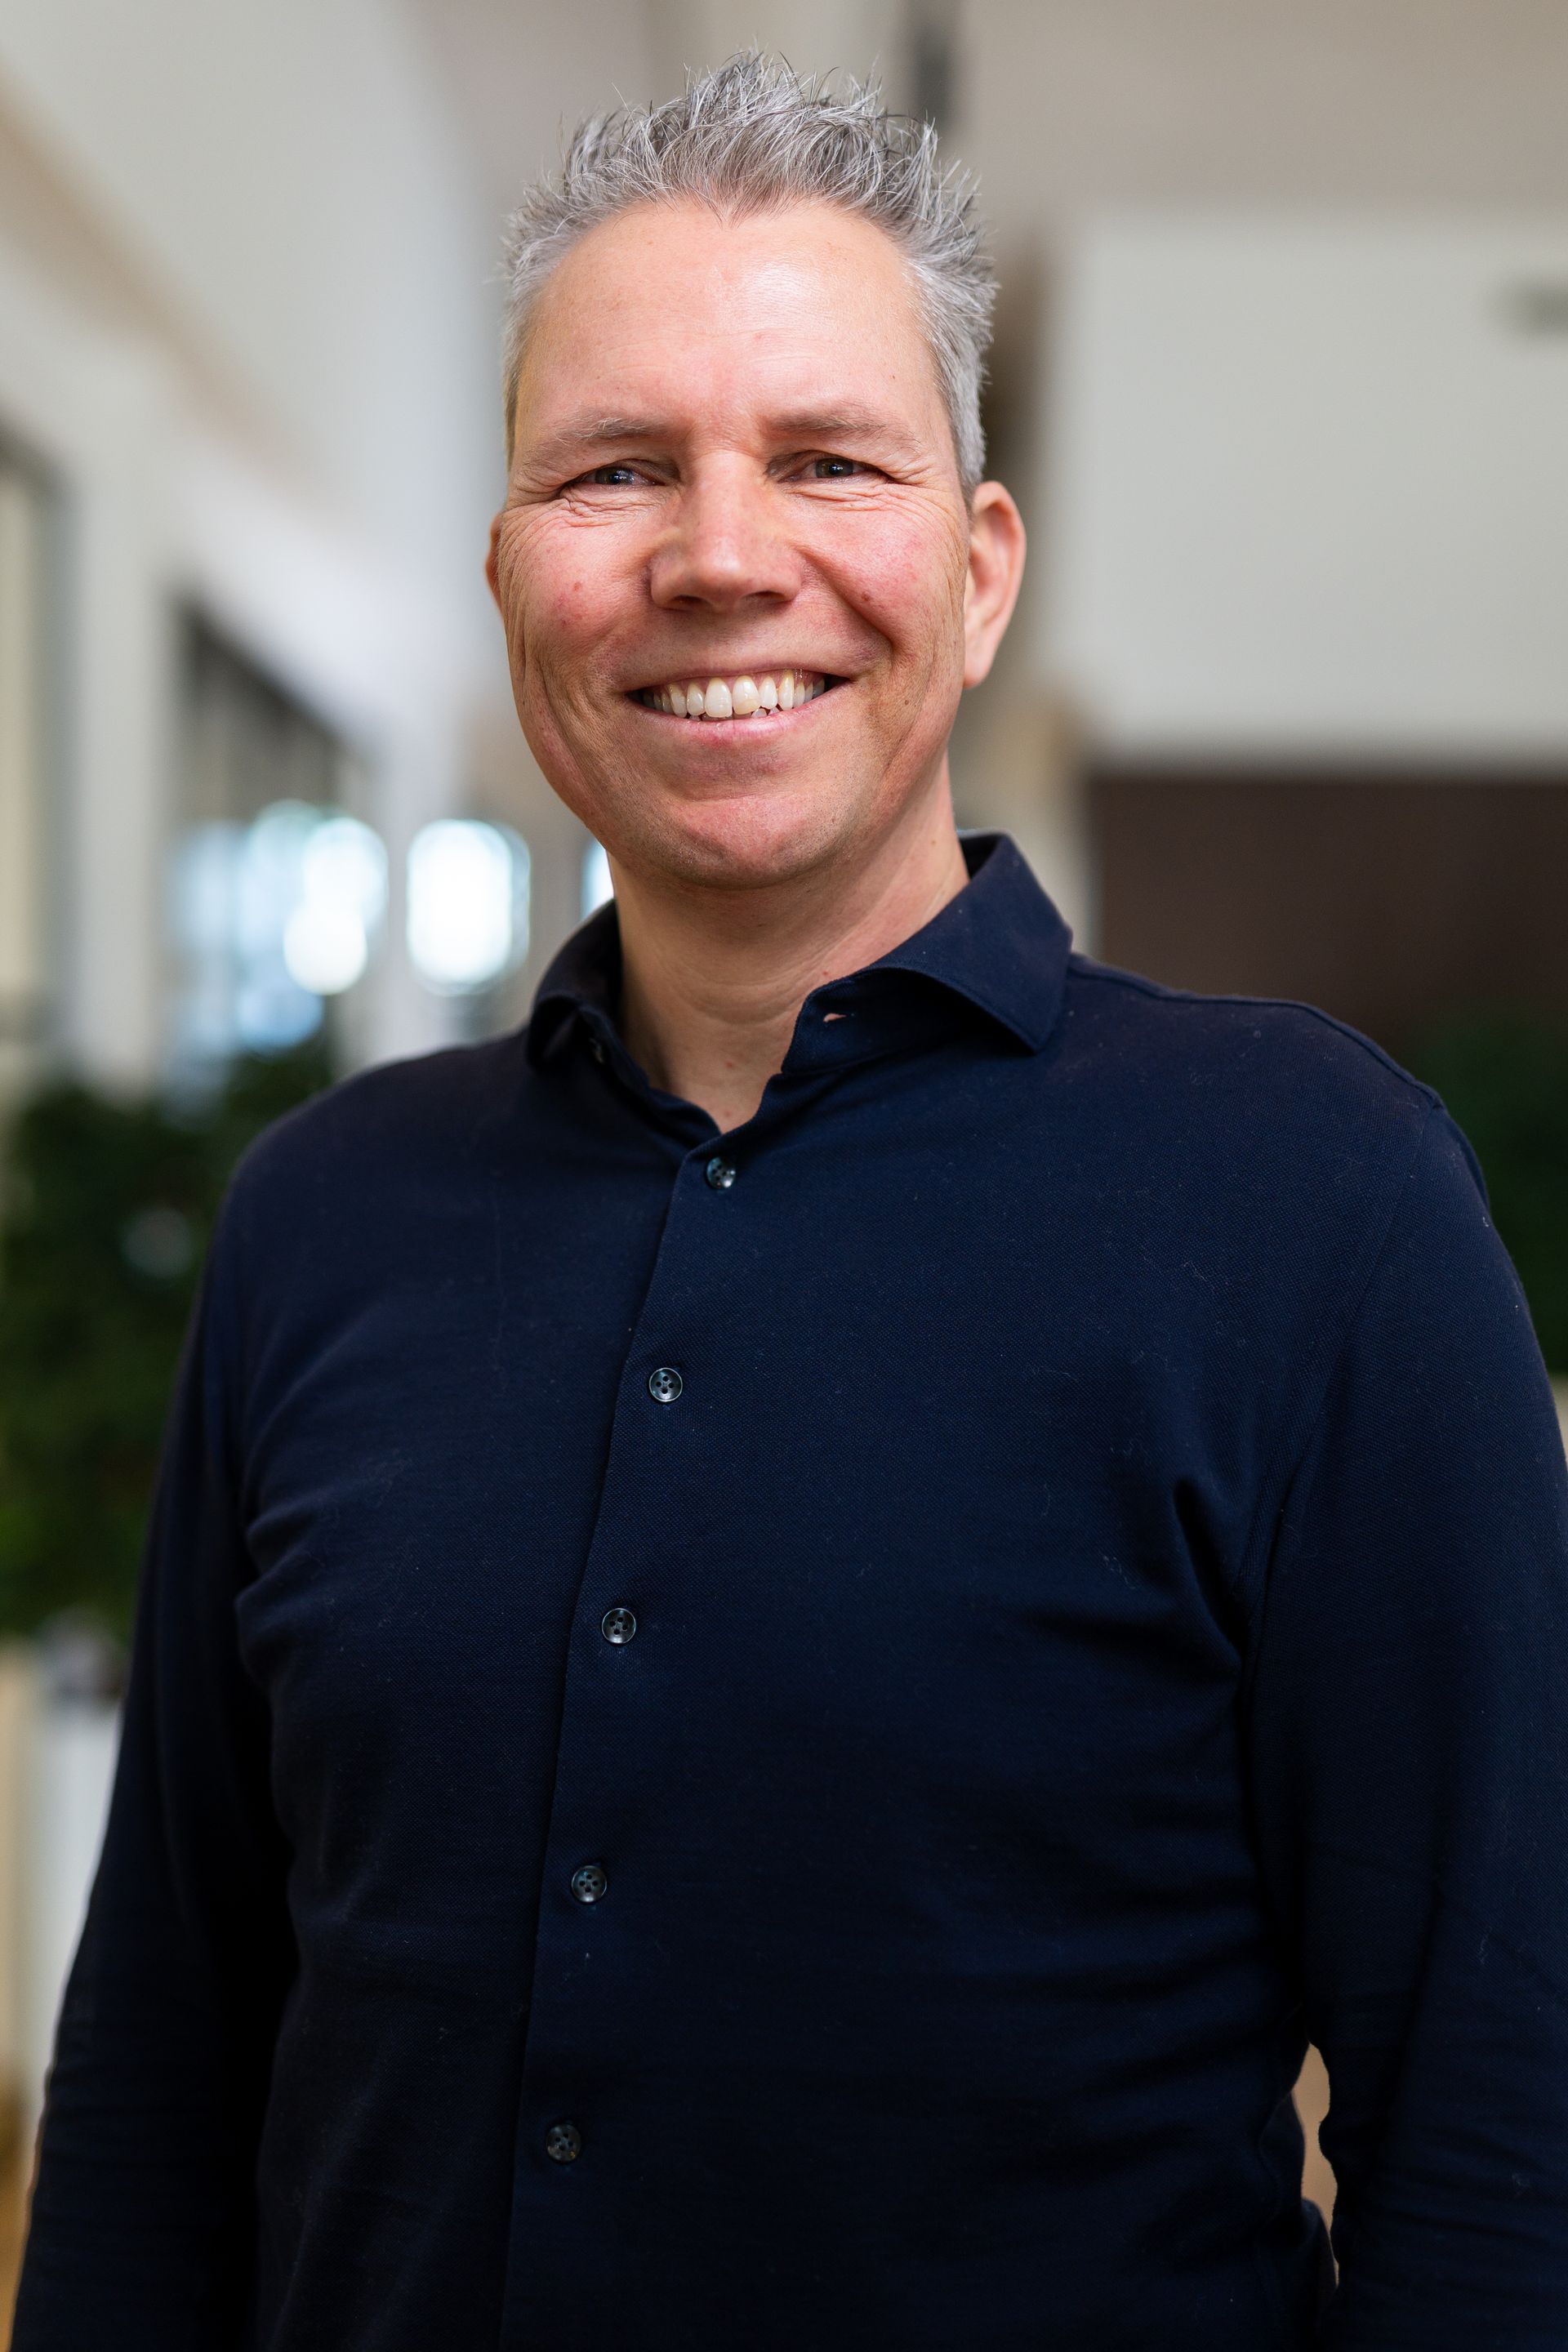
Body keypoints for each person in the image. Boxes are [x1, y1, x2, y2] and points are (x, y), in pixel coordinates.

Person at [13, 51, 1568, 2352]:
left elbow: (1503, 2137)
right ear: (511, 576)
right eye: (615, 468)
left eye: (830, 459)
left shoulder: (1317, 1204)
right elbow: (165, 2064)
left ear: (980, 567)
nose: (722, 555)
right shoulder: (320, 1218)